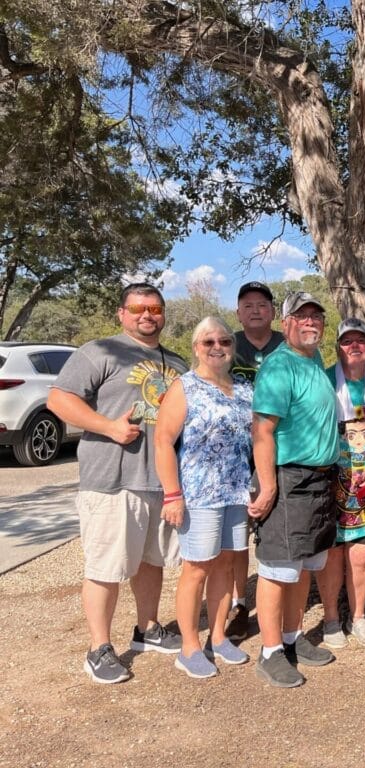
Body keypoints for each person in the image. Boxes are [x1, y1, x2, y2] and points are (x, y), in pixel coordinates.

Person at [47, 282, 187, 684]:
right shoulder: (99, 351)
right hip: (111, 479)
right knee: (106, 566)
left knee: (151, 560)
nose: (148, 315)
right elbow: (59, 400)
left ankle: (147, 629)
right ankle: (99, 647)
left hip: (159, 481)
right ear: (121, 313)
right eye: (139, 308)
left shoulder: (176, 363)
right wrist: (107, 426)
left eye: (155, 308)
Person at [249, 291, 340, 688]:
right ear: (284, 323)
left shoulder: (314, 359)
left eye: (316, 317)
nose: (310, 322)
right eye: (301, 316)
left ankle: (291, 636)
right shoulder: (278, 367)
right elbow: (262, 430)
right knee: (277, 568)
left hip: (320, 478)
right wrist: (268, 486)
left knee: (304, 563)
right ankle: (270, 652)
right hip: (290, 479)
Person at [154, 317, 253, 678]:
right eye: (208, 341)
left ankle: (219, 636)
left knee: (226, 566)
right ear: (196, 347)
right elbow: (163, 441)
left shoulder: (243, 389)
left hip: (236, 492)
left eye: (224, 341)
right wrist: (172, 494)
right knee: (197, 569)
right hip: (198, 495)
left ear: (232, 347)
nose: (216, 347)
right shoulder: (185, 386)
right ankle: (189, 646)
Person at [315, 318, 365, 649]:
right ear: (337, 347)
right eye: (347, 341)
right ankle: (332, 617)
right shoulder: (323, 381)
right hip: (330, 481)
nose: (355, 346)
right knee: (332, 553)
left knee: (364, 554)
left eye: (361, 340)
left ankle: (359, 616)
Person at [225, 281, 286, 641]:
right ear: (238, 312)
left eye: (261, 304)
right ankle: (238, 602)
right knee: (236, 533)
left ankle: (275, 597)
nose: (255, 310)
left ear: (272, 311)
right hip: (234, 451)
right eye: (247, 305)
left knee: (273, 523)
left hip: (279, 447)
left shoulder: (287, 345)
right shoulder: (225, 345)